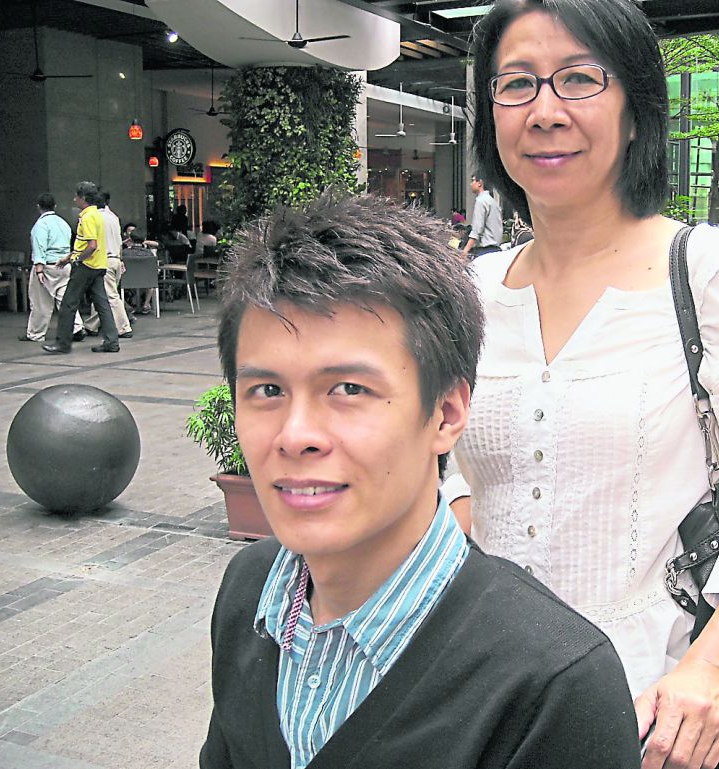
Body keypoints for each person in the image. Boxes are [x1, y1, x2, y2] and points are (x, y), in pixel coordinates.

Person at [448, 2, 719, 768]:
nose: (545, 111)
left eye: (578, 79)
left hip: (650, 709)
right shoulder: (470, 291)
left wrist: (710, 671)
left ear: (636, 110)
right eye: (517, 83)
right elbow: (440, 464)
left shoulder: (711, 274)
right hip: (484, 694)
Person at [200, 193, 641, 769]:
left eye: (349, 389)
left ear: (446, 414)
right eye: (267, 391)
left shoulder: (552, 685)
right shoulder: (249, 593)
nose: (295, 435)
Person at [42, 182, 120, 354]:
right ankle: (112, 340)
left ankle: (63, 343)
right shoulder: (97, 215)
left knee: (68, 304)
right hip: (99, 265)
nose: (74, 199)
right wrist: (69, 257)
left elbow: (91, 245)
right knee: (102, 305)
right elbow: (86, 244)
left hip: (86, 266)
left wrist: (77, 259)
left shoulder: (87, 217)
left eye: (76, 196)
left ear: (83, 198)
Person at [19, 193, 86, 343]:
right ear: (55, 206)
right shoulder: (63, 223)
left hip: (47, 266)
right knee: (65, 299)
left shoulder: (41, 225)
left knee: (41, 302)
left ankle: (36, 333)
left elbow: (39, 247)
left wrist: (39, 269)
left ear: (38, 207)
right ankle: (76, 327)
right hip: (64, 265)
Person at [83, 191, 133, 340]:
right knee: (101, 294)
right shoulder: (114, 218)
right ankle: (92, 325)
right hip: (115, 259)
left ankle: (123, 327)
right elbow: (118, 242)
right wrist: (121, 260)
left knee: (110, 296)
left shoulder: (95, 218)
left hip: (104, 260)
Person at [461, 174, 503, 258]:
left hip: (485, 250)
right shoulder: (492, 201)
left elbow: (477, 229)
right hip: (496, 249)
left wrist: (465, 250)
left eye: (473, 180)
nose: (471, 184)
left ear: (480, 183)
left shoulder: (481, 201)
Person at [122, 230, 159, 315]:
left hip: (127, 281)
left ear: (130, 239)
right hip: (146, 281)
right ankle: (146, 304)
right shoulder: (149, 253)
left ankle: (127, 306)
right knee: (152, 280)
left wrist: (124, 242)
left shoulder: (125, 253)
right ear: (144, 239)